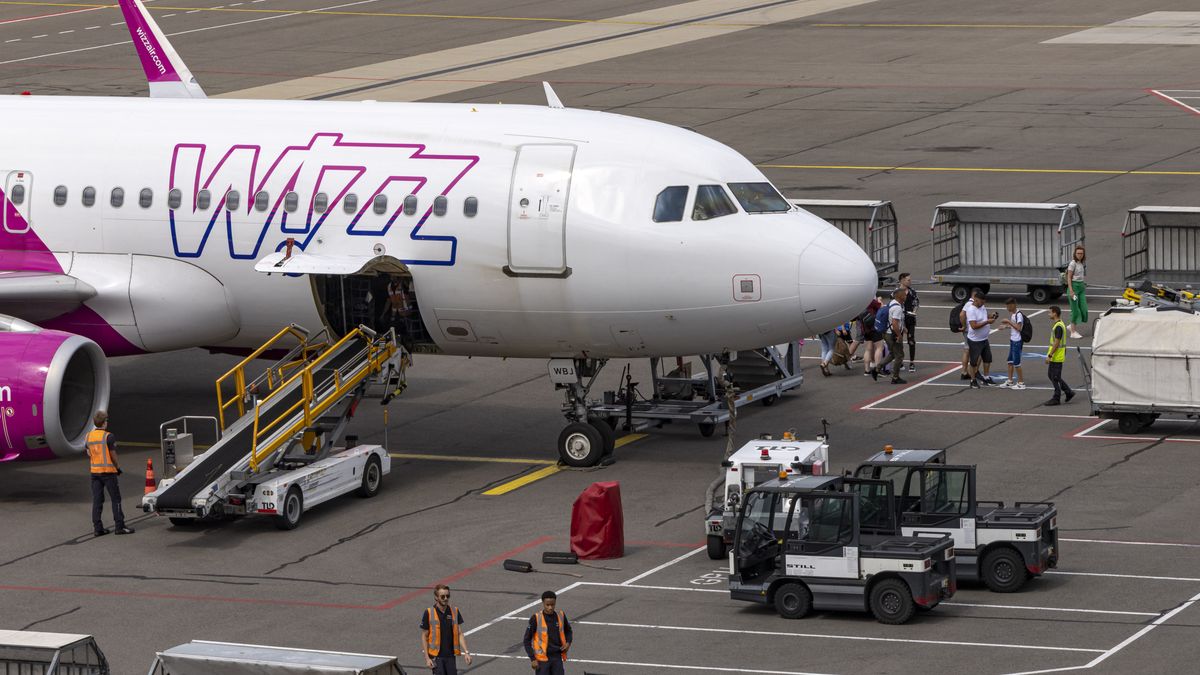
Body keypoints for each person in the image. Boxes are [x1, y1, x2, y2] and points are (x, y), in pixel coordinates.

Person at [87, 410, 133, 536]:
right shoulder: (108, 436)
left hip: (95, 473)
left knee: (97, 500)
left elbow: (89, 452)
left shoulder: (88, 436)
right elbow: (113, 455)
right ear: (104, 423)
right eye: (106, 420)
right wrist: (117, 467)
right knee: (116, 499)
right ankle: (119, 526)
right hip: (108, 472)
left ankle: (98, 528)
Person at [420, 584, 472, 674]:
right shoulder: (429, 612)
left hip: (450, 656)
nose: (445, 598)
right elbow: (424, 636)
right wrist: (427, 658)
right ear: (436, 597)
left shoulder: (454, 611)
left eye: (447, 596)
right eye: (442, 596)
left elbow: (459, 633)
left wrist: (466, 652)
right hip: (436, 657)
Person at [524, 590, 572, 674]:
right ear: (543, 603)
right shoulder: (536, 618)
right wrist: (533, 659)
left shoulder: (561, 615)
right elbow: (526, 640)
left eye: (552, 604)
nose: (550, 607)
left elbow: (568, 631)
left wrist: (568, 643)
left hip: (557, 657)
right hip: (542, 659)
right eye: (547, 605)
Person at [963, 291, 997, 389]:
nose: (982, 304)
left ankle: (986, 378)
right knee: (973, 362)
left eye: (983, 302)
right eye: (981, 302)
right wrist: (987, 322)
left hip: (984, 338)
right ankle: (973, 380)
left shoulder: (982, 307)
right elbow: (974, 326)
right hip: (975, 340)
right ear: (976, 300)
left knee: (987, 359)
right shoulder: (971, 310)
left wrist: (990, 316)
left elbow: (983, 317)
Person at [1044, 306, 1076, 406]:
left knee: (1055, 377)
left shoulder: (1058, 326)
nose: (1048, 314)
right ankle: (1068, 392)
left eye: (1050, 312)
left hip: (1057, 356)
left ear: (1055, 313)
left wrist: (1050, 355)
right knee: (1051, 375)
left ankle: (1056, 398)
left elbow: (1057, 343)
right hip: (1056, 355)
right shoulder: (1059, 324)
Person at [999, 298, 1026, 390]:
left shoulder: (1019, 315)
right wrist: (1006, 326)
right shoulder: (1014, 315)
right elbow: (1014, 326)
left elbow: (1019, 328)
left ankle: (1021, 383)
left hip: (1017, 341)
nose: (1007, 308)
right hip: (1013, 340)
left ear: (1013, 305)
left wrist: (1008, 322)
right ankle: (1010, 381)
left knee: (1017, 363)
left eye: (1008, 306)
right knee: (1010, 361)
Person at [884, 287, 908, 384]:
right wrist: (899, 335)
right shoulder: (897, 307)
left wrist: (903, 328)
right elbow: (894, 323)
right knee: (899, 356)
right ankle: (895, 377)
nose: (906, 296)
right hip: (893, 334)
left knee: (893, 353)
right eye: (905, 295)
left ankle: (877, 368)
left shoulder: (892, 303)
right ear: (900, 296)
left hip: (887, 332)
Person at [898, 272, 919, 372]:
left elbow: (916, 303)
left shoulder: (912, 292)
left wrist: (914, 311)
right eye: (908, 280)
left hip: (910, 319)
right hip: (899, 320)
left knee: (911, 341)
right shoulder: (896, 292)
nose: (910, 281)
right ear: (902, 280)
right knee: (899, 341)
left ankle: (912, 362)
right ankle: (900, 361)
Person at [1066, 245, 1087, 338]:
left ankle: (1071, 326)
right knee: (1075, 310)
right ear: (1075, 254)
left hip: (1081, 288)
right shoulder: (1072, 263)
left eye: (1081, 253)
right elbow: (1069, 277)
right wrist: (1071, 290)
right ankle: (1073, 332)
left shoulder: (1081, 263)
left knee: (1083, 308)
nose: (1080, 255)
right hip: (1074, 288)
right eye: (1078, 253)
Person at [863, 296, 885, 380]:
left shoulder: (860, 301)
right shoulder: (870, 300)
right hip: (873, 327)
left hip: (864, 327)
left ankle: (867, 370)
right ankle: (877, 369)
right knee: (879, 347)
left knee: (868, 349)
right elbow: (881, 307)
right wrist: (879, 300)